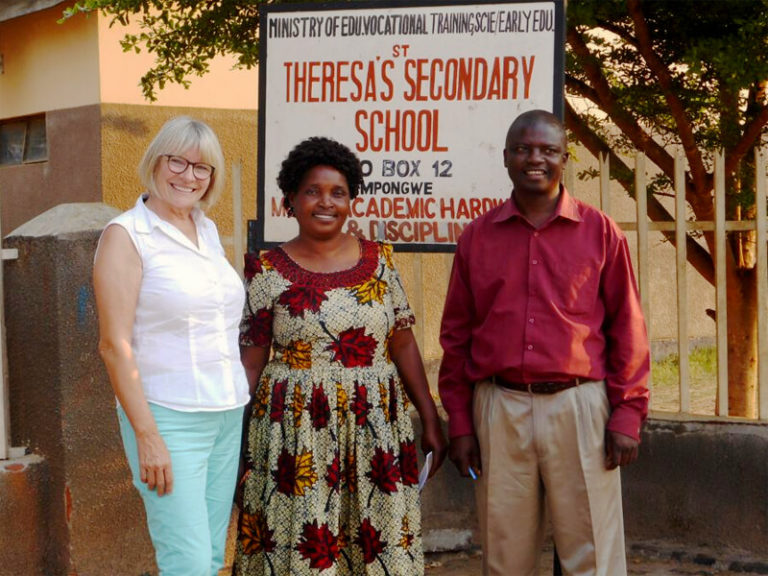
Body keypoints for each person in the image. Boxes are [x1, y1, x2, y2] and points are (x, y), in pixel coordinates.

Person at [438, 110, 650, 576]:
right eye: (523, 149)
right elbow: (456, 336)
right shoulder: (477, 236)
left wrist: (628, 412)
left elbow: (627, 328)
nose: (535, 159)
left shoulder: (600, 232)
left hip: (580, 409)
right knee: (505, 555)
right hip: (499, 407)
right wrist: (460, 422)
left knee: (593, 554)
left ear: (564, 158)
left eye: (547, 150)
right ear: (507, 158)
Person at [234, 136, 447, 575]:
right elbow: (250, 364)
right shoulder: (267, 270)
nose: (325, 202)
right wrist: (235, 449)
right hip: (295, 433)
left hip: (376, 426)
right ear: (290, 200)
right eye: (312, 191)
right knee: (304, 549)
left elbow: (402, 341)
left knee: (377, 543)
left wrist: (429, 418)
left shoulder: (381, 262)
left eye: (338, 192)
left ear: (352, 201)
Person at [93, 116, 250, 576]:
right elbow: (113, 345)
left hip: (225, 412)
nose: (188, 175)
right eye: (177, 161)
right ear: (155, 162)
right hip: (167, 417)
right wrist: (148, 436)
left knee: (209, 558)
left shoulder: (205, 230)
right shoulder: (127, 236)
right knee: (187, 564)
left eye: (202, 168)